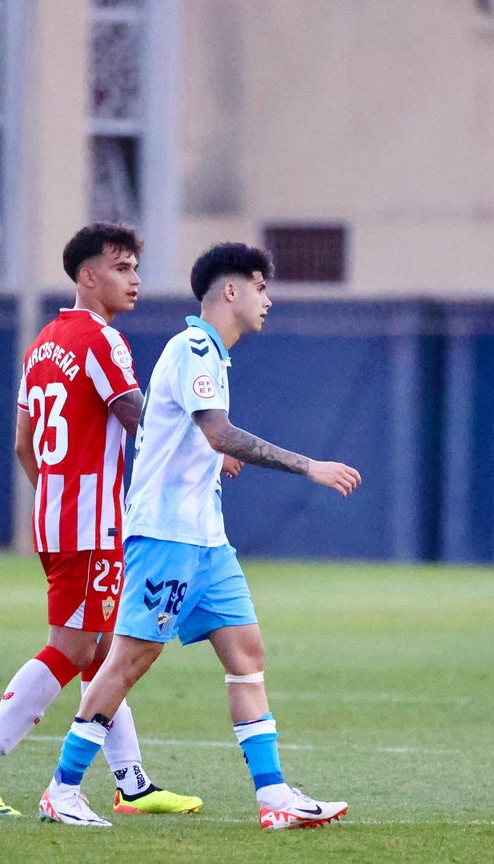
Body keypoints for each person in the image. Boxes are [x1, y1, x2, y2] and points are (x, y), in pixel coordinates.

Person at [38, 242, 361, 829]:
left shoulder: (213, 354)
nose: (269, 299)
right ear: (231, 292)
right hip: (166, 535)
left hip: (207, 539)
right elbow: (217, 433)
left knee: (246, 653)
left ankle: (274, 797)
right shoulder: (192, 348)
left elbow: (201, 438)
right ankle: (61, 789)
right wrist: (309, 466)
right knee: (129, 659)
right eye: (261, 286)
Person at [0, 224, 209, 817]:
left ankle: (132, 781)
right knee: (72, 647)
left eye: (136, 267)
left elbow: (22, 442)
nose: (135, 278)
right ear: (88, 276)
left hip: (58, 517)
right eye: (121, 267)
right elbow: (135, 413)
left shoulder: (41, 344)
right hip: (91, 524)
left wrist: (55, 495)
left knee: (102, 650)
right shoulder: (103, 342)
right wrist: (201, 448)